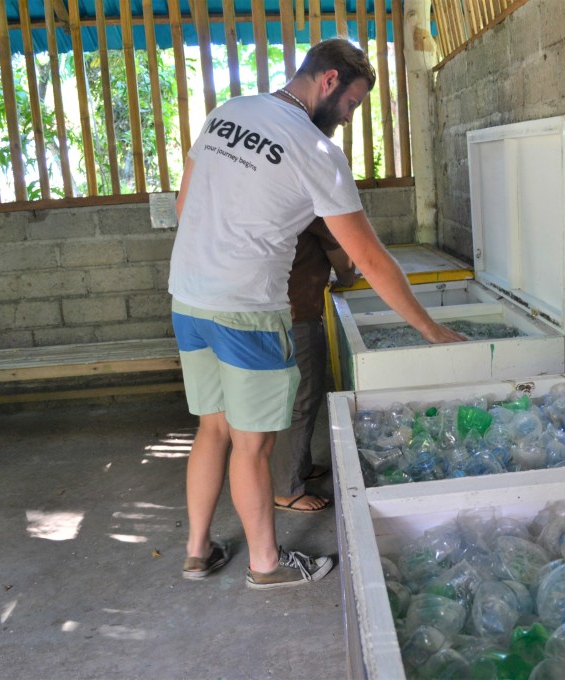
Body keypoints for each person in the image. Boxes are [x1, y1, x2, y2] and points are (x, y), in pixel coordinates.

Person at [168, 38, 465, 590]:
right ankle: (266, 564)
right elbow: (368, 258)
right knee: (253, 445)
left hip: (188, 297)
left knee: (212, 429)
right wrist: (428, 329)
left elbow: (185, 206)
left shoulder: (229, 112)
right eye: (351, 105)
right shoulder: (315, 149)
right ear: (328, 81)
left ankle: (196, 550)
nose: (348, 120)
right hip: (247, 310)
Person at [271, 218, 355, 513]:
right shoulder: (314, 205)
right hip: (296, 315)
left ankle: (301, 466)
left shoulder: (281, 198)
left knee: (300, 397)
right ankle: (286, 488)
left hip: (277, 311)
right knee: (301, 401)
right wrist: (347, 278)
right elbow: (342, 256)